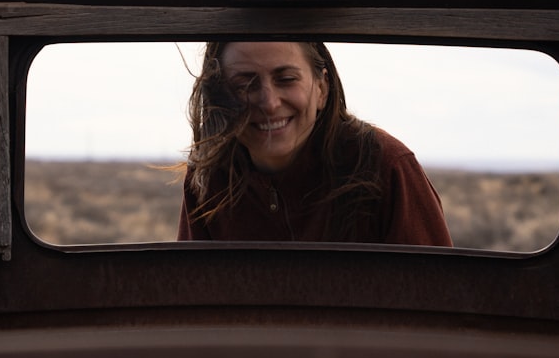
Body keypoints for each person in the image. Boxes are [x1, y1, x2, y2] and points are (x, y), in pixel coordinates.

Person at [176, 41, 453, 246]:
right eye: (244, 84)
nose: (270, 103)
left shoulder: (386, 166)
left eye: (286, 79)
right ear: (219, 97)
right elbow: (194, 304)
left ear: (321, 89)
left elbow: (437, 302)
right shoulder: (208, 176)